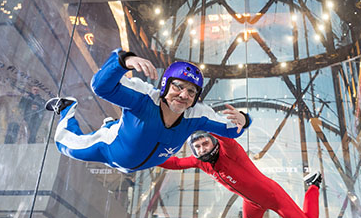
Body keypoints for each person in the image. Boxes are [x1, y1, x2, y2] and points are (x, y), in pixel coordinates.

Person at [45, 48, 250, 173]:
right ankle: (66, 108)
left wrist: (243, 119)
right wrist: (123, 61)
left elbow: (232, 130)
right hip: (108, 149)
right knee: (64, 145)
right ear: (164, 85)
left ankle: (111, 124)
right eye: (178, 86)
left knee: (126, 129)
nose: (184, 95)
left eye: (191, 91)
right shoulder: (143, 98)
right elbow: (101, 87)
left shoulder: (196, 116)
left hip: (133, 158)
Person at [160, 132, 321, 218]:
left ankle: (313, 185)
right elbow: (175, 163)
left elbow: (226, 136)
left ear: (213, 141)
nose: (202, 149)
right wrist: (144, 159)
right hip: (251, 202)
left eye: (205, 143)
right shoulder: (200, 162)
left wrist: (202, 122)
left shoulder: (230, 151)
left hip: (273, 197)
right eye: (198, 147)